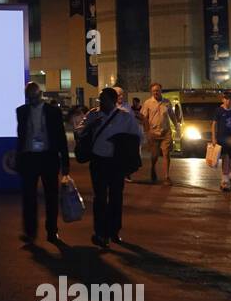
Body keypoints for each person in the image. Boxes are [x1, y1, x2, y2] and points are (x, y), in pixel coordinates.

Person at [78, 87, 142, 249]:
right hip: (98, 161)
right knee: (99, 198)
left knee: (115, 197)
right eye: (100, 99)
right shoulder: (93, 114)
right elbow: (79, 131)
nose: (101, 103)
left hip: (116, 163)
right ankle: (100, 232)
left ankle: (114, 230)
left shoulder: (125, 117)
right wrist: (91, 125)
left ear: (113, 101)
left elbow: (137, 137)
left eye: (103, 99)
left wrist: (122, 143)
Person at [14, 82, 71, 243]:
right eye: (29, 97)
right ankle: (30, 232)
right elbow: (21, 136)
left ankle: (52, 231)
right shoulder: (21, 111)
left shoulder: (53, 112)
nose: (31, 100)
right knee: (28, 197)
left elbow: (61, 137)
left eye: (34, 96)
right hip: (29, 157)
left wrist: (65, 161)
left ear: (40, 94)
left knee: (51, 196)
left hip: (48, 157)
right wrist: (19, 158)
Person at [138, 82, 176, 185]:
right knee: (154, 155)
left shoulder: (167, 102)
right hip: (153, 133)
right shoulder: (147, 103)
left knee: (166, 153)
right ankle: (153, 168)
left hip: (166, 131)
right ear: (151, 92)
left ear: (161, 91)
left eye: (157, 90)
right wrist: (147, 131)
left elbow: (172, 115)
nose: (156, 92)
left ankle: (167, 176)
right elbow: (143, 117)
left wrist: (176, 125)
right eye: (154, 91)